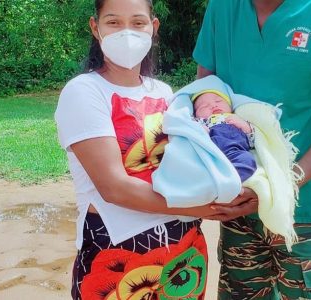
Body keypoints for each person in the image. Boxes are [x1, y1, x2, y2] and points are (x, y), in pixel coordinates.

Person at [54, 0, 257, 299]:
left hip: (184, 255)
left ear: (153, 27)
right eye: (113, 22)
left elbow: (197, 159)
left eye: (137, 23)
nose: (127, 33)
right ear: (95, 27)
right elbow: (114, 188)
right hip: (118, 257)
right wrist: (201, 209)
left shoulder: (164, 93)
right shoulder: (84, 92)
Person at [193, 0, 311, 299]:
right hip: (238, 204)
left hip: (303, 209)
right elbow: (205, 100)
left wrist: (281, 184)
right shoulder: (222, 8)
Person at [192, 90, 257, 182]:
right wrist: (199, 129)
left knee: (248, 160)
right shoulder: (202, 121)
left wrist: (244, 125)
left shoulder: (236, 117)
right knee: (194, 163)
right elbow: (188, 127)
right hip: (210, 153)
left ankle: (230, 182)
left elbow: (252, 142)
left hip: (235, 152)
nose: (213, 106)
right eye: (204, 106)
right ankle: (212, 182)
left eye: (218, 101)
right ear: (196, 115)